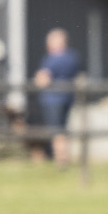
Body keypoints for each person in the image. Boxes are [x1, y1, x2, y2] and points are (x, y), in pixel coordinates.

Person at [31, 27, 81, 166]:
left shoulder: (51, 59)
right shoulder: (73, 57)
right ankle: (65, 157)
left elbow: (42, 80)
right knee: (63, 128)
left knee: (56, 130)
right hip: (68, 98)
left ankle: (61, 160)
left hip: (52, 100)